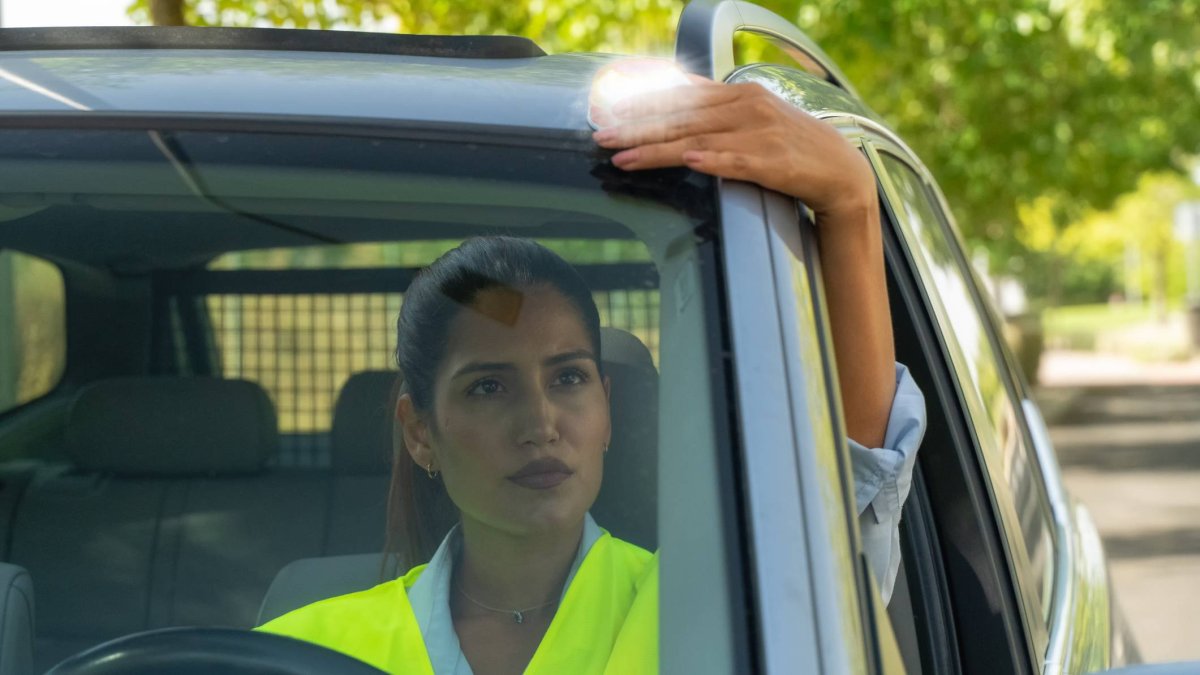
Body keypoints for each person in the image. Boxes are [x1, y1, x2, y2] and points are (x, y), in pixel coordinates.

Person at [257, 76, 925, 674]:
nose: (540, 423)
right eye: (489, 386)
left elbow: (848, 496)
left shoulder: (718, 613)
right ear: (421, 432)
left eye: (569, 378)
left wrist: (851, 205)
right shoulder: (301, 650)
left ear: (607, 408)